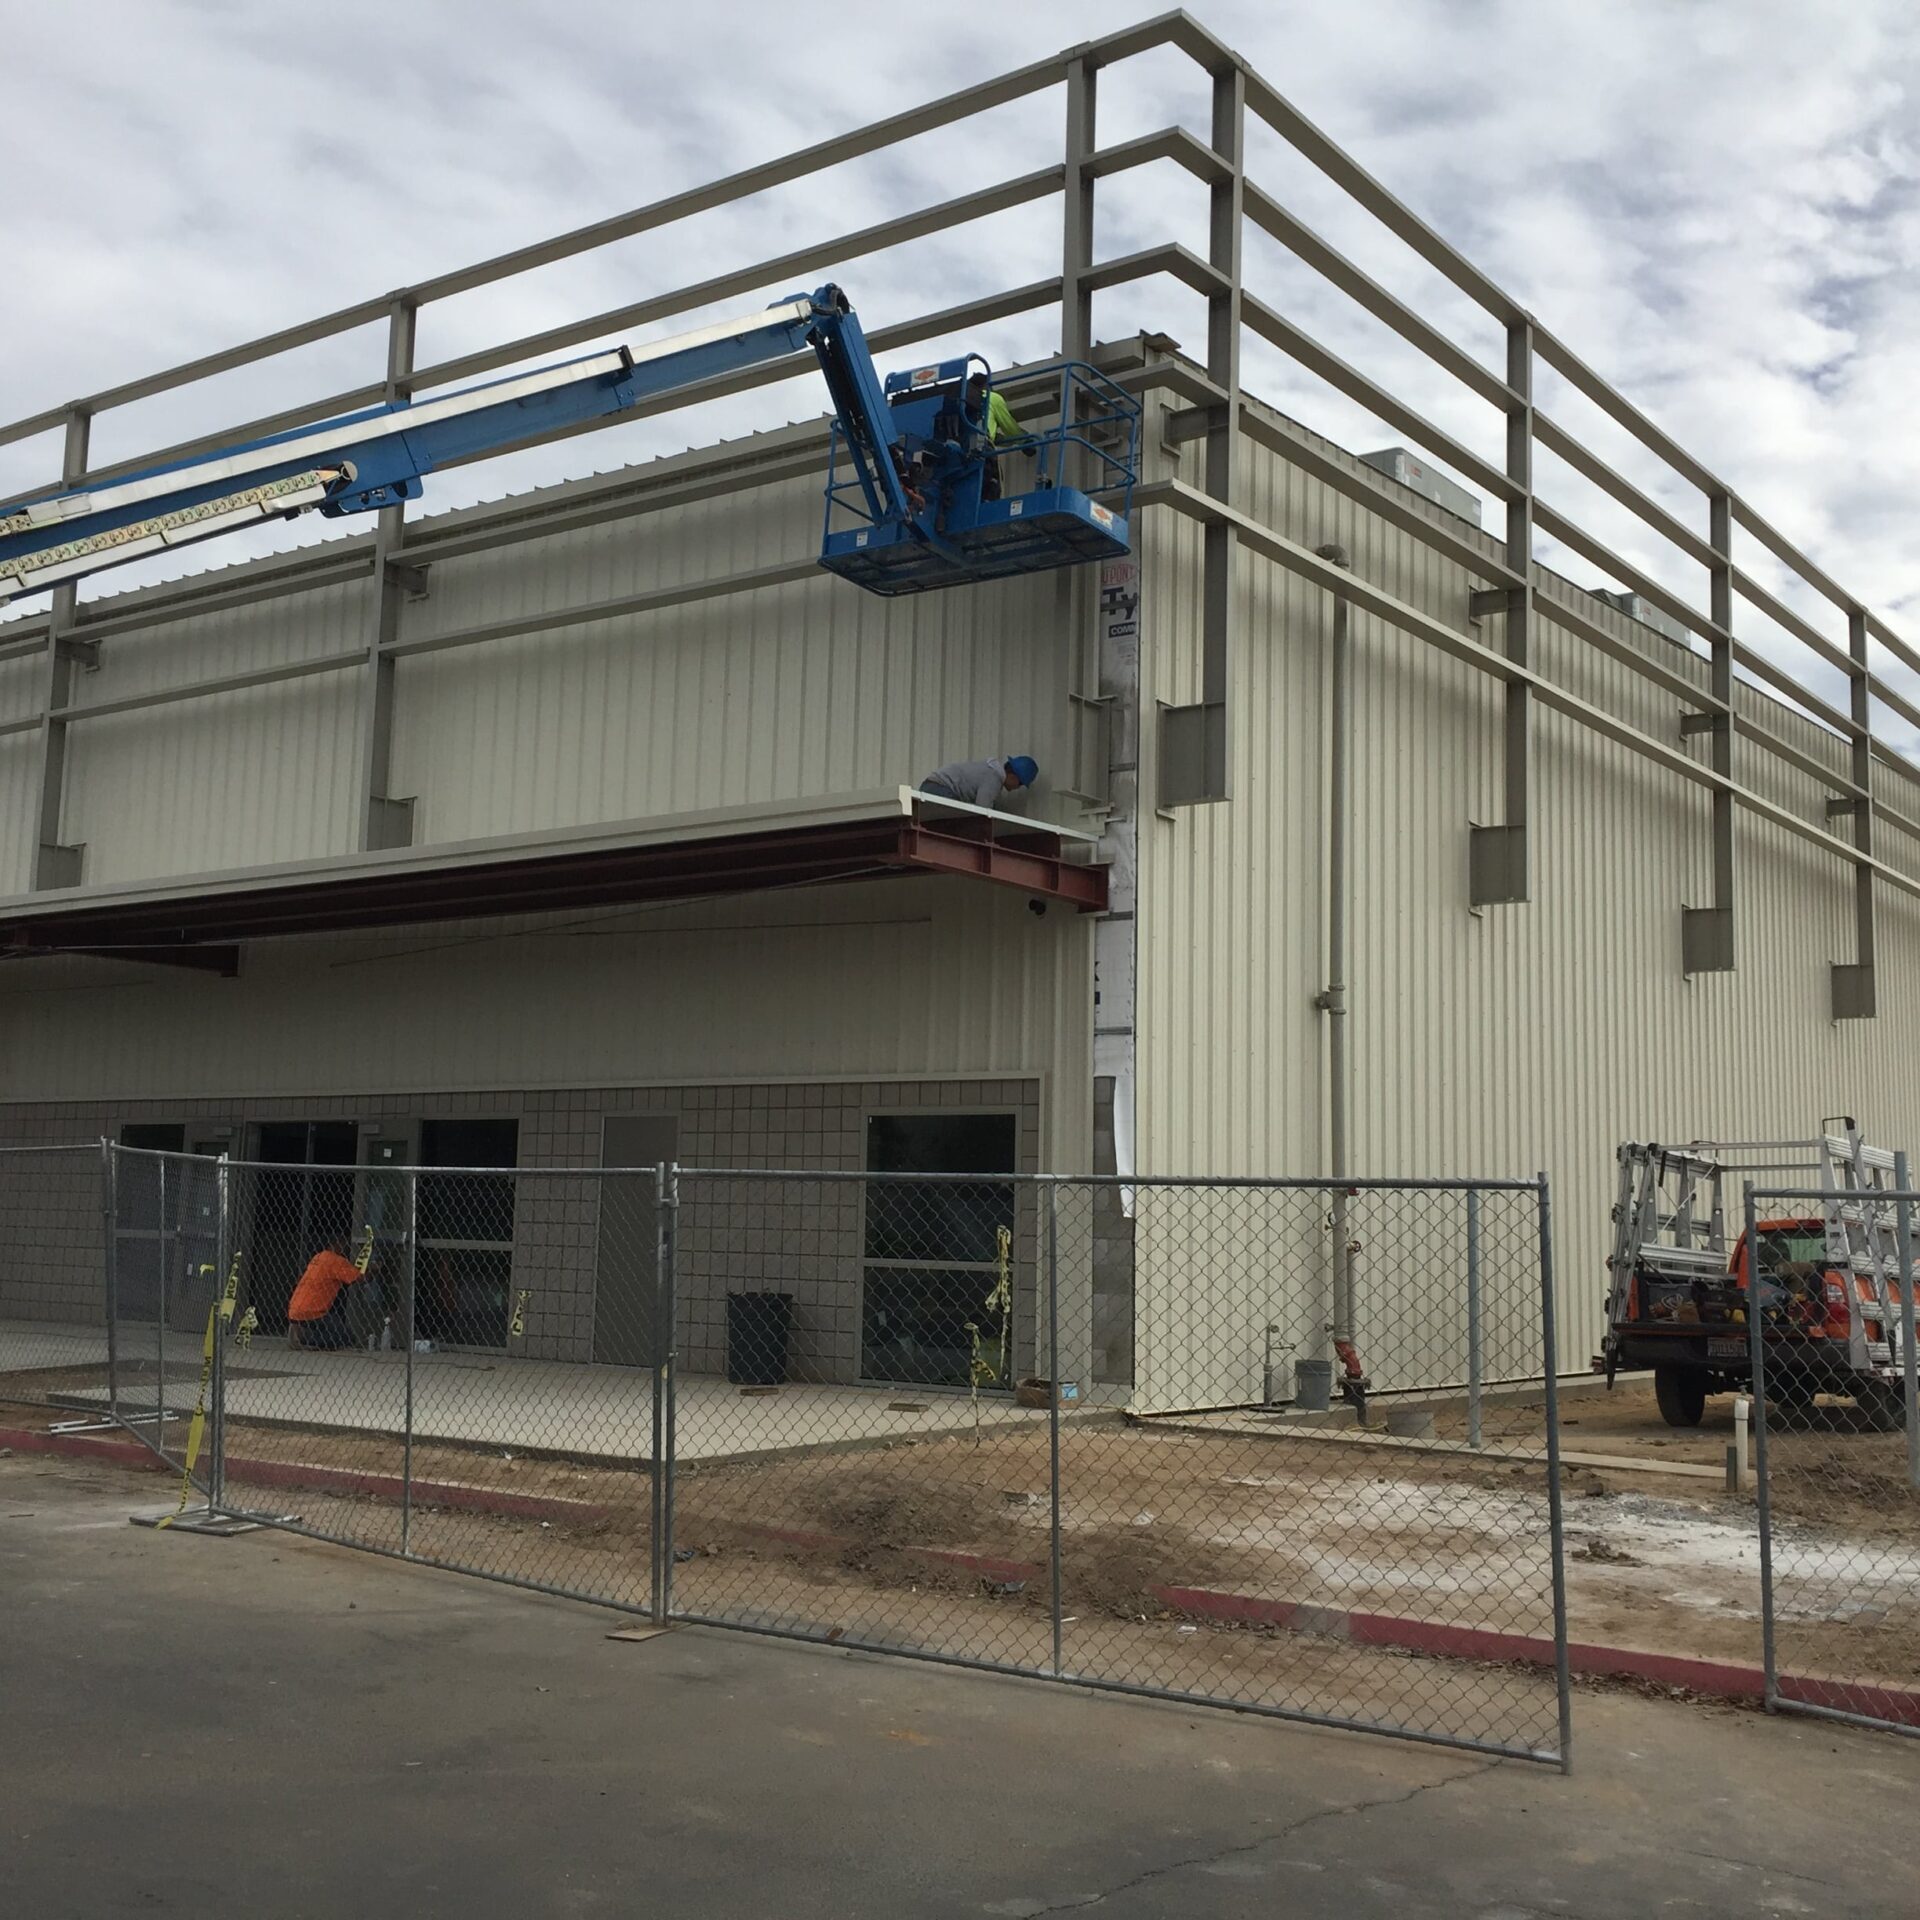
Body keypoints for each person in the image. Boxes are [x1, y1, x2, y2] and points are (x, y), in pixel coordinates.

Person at [287, 1237, 367, 1350]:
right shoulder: (336, 1260)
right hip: (314, 1311)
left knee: (334, 1321)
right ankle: (304, 1337)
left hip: (295, 1308)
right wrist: (371, 1269)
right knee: (346, 1338)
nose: (346, 1248)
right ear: (337, 1244)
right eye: (344, 1244)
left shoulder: (318, 1257)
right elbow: (357, 1278)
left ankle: (301, 1330)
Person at [966, 372, 1023, 501]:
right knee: (992, 481)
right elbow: (1010, 428)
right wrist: (1025, 441)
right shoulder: (992, 398)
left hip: (962, 445)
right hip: (981, 443)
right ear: (986, 385)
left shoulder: (962, 401)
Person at [920, 755, 1039, 809]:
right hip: (941, 791)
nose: (1017, 788)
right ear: (1014, 776)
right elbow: (983, 810)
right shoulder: (994, 779)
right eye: (1020, 784)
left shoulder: (989, 770)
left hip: (930, 787)